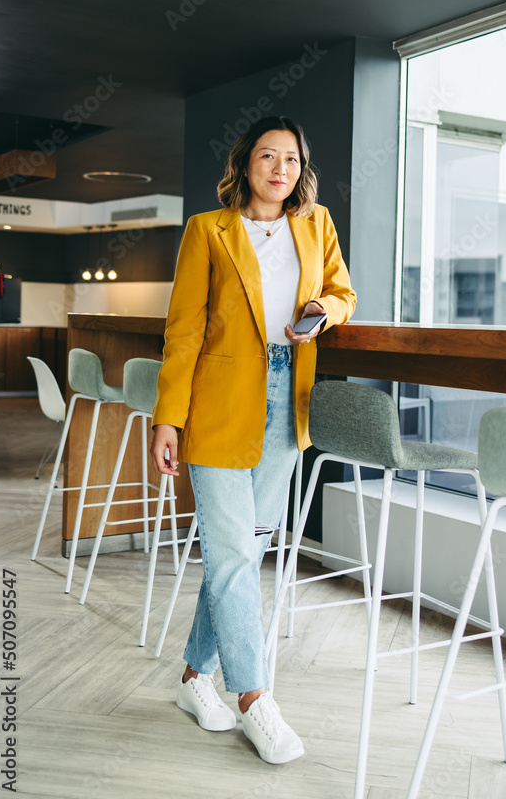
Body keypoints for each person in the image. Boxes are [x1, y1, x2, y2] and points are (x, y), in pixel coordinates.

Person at [150, 115, 356, 765]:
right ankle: (253, 699)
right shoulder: (206, 230)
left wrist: (324, 312)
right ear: (245, 164)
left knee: (247, 548)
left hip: (284, 401)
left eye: (290, 159)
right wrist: (167, 417)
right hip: (215, 405)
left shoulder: (315, 223)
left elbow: (340, 289)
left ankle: (192, 678)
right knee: (235, 554)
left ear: (301, 169)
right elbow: (183, 329)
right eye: (267, 156)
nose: (279, 169)